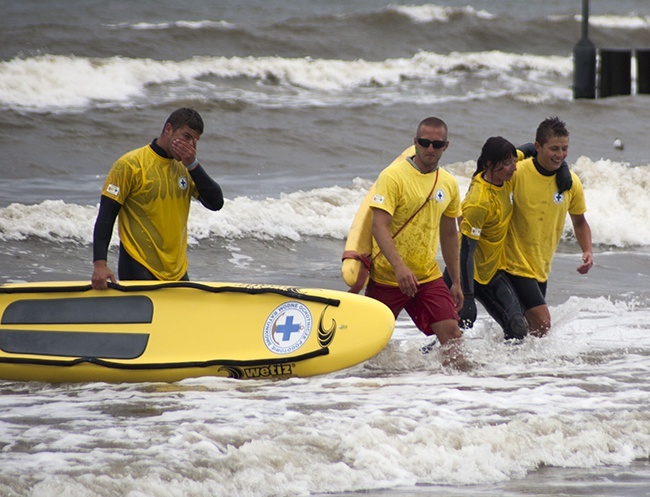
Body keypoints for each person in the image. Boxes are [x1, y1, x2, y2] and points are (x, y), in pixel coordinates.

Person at [365, 117, 464, 364]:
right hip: (388, 275)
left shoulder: (449, 183)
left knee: (453, 337)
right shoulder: (393, 176)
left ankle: (457, 394)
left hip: (427, 275)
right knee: (371, 346)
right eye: (424, 142)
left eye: (437, 144)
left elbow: (449, 233)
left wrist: (456, 280)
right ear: (415, 143)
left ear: (446, 146)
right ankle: (368, 391)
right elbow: (378, 226)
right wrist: (399, 267)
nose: (430, 149)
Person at [91, 107, 224, 290]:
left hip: (176, 270)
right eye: (186, 136)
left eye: (195, 140)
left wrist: (193, 164)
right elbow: (106, 216)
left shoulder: (185, 169)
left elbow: (216, 203)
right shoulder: (130, 165)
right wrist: (100, 265)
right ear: (168, 129)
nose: (191, 145)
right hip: (139, 264)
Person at [504, 116, 593, 336]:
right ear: (537, 147)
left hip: (540, 267)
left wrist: (587, 250)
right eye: (554, 148)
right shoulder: (517, 172)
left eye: (564, 149)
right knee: (542, 323)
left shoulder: (570, 182)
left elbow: (579, 221)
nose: (560, 155)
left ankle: (513, 369)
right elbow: (486, 181)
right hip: (512, 262)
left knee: (526, 330)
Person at [454, 136, 529, 341]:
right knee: (450, 337)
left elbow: (531, 148)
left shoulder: (504, 176)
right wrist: (467, 297)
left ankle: (502, 372)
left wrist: (563, 167)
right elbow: (466, 251)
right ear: (489, 164)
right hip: (466, 276)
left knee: (518, 328)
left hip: (490, 272)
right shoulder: (479, 202)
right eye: (506, 164)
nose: (513, 167)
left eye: (513, 161)